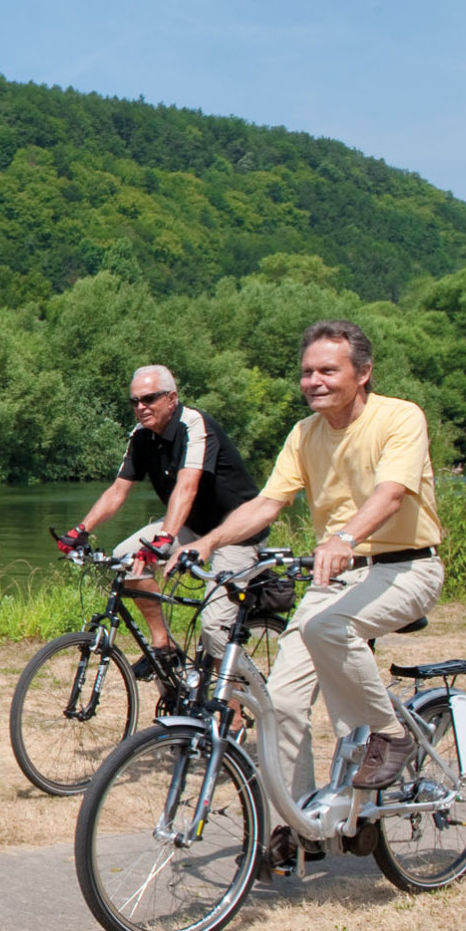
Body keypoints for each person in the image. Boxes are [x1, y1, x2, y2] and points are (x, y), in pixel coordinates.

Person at [190, 320, 444, 849]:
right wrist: (209, 542)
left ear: (363, 373)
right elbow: (267, 503)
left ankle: (390, 734)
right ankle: (295, 826)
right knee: (278, 703)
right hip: (338, 577)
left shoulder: (400, 417)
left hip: (407, 566)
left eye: (328, 369)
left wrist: (345, 536)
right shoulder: (305, 434)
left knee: (328, 627)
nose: (314, 380)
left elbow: (392, 494)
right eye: (307, 371)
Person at [56, 365, 267, 666]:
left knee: (215, 631)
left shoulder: (193, 425)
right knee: (126, 558)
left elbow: (187, 487)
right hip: (191, 525)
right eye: (134, 401)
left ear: (172, 398)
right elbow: (118, 491)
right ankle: (164, 644)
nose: (141, 407)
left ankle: (232, 707)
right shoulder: (141, 436)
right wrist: (81, 530)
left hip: (238, 531)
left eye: (149, 399)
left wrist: (164, 538)